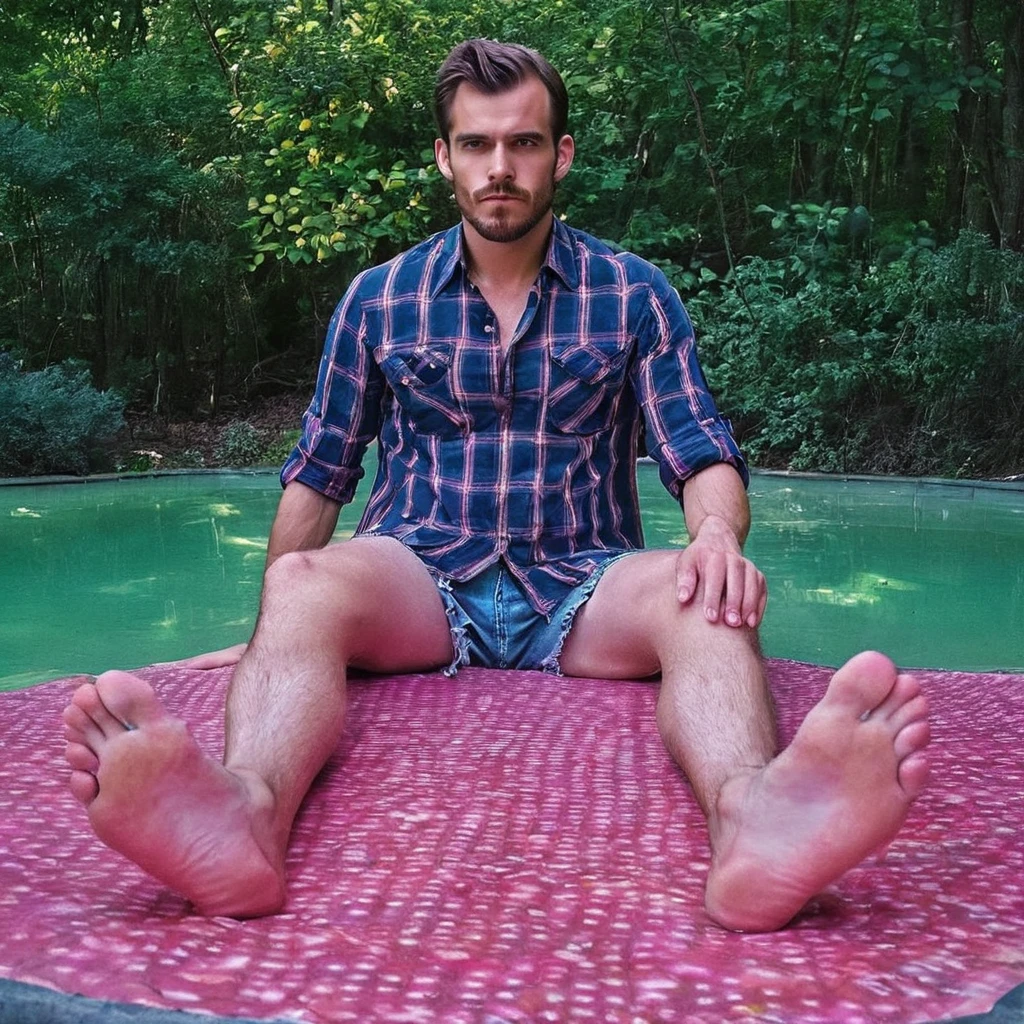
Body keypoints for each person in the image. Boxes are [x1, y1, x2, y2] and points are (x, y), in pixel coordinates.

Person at [61, 39, 930, 933]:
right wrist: (272, 626)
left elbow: (699, 450)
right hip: (419, 581)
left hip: (584, 582)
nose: (500, 167)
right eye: (476, 145)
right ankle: (243, 818)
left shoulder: (634, 294)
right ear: (445, 157)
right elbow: (321, 475)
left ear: (562, 155)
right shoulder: (379, 298)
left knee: (706, 599)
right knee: (301, 582)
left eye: (523, 143)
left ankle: (755, 820)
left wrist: (714, 538)